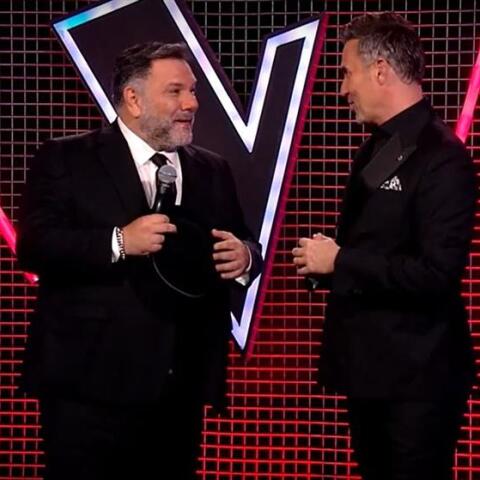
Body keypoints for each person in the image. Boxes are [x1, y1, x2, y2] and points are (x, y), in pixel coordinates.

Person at [17, 41, 262, 480]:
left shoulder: (212, 169)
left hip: (178, 386)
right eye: (175, 91)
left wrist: (244, 257)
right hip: (89, 384)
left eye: (192, 91)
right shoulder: (67, 158)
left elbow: (243, 240)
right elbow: (35, 246)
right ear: (133, 98)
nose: (192, 103)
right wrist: (119, 241)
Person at [292, 12, 476, 480]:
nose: (342, 89)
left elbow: (436, 273)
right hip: (371, 371)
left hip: (418, 379)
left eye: (347, 73)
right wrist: (328, 263)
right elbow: (375, 241)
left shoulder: (443, 158)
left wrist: (341, 261)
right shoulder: (381, 147)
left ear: (380, 71)